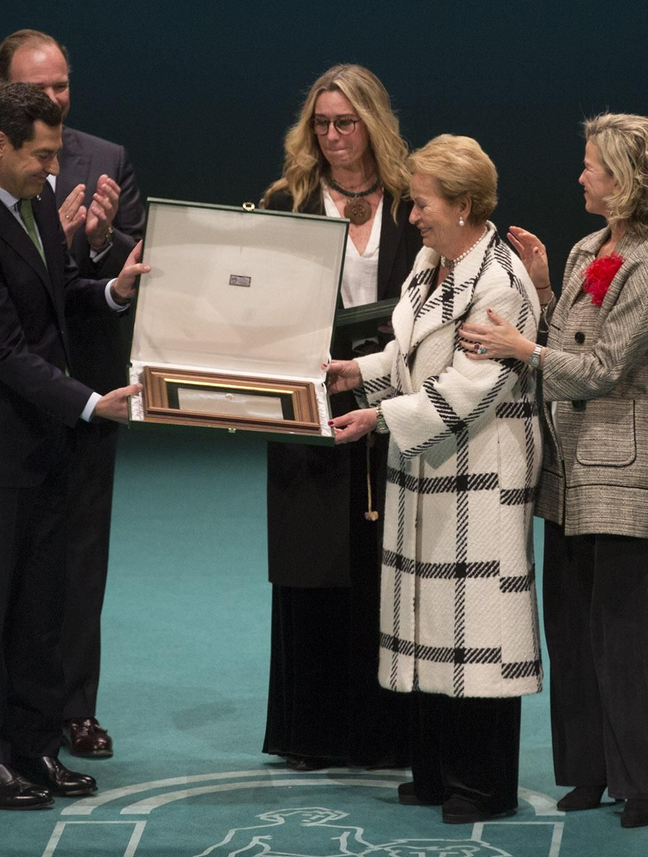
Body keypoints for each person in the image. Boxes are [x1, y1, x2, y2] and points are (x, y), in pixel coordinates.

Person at [459, 113, 648, 830]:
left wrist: (519, 347)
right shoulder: (590, 247)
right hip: (568, 467)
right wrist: (544, 292)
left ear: (625, 180)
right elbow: (573, 339)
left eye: (593, 165)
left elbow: (601, 367)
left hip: (623, 464)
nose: (581, 175)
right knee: (571, 625)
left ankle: (643, 782)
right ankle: (589, 770)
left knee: (621, 629)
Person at [0, 82, 146, 811]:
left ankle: (33, 748)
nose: (53, 169)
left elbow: (59, 294)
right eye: (42, 155)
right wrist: (88, 401)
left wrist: (111, 290)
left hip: (45, 446)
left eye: (56, 153)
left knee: (41, 610)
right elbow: (3, 352)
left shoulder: (38, 203)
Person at [325, 134, 542, 825]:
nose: (411, 215)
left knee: (477, 626)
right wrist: (358, 375)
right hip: (429, 470)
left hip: (480, 475)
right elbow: (411, 352)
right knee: (426, 620)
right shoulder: (432, 263)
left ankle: (482, 784)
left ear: (464, 204)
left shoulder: (500, 281)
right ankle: (436, 770)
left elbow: (468, 387)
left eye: (422, 203)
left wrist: (376, 418)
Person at [259, 65, 421, 770]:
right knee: (310, 563)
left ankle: (385, 734)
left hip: (392, 403)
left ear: (372, 124)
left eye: (345, 123)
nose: (331, 136)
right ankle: (312, 734)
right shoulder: (286, 201)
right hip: (306, 408)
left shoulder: (415, 203)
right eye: (321, 124)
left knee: (385, 563)